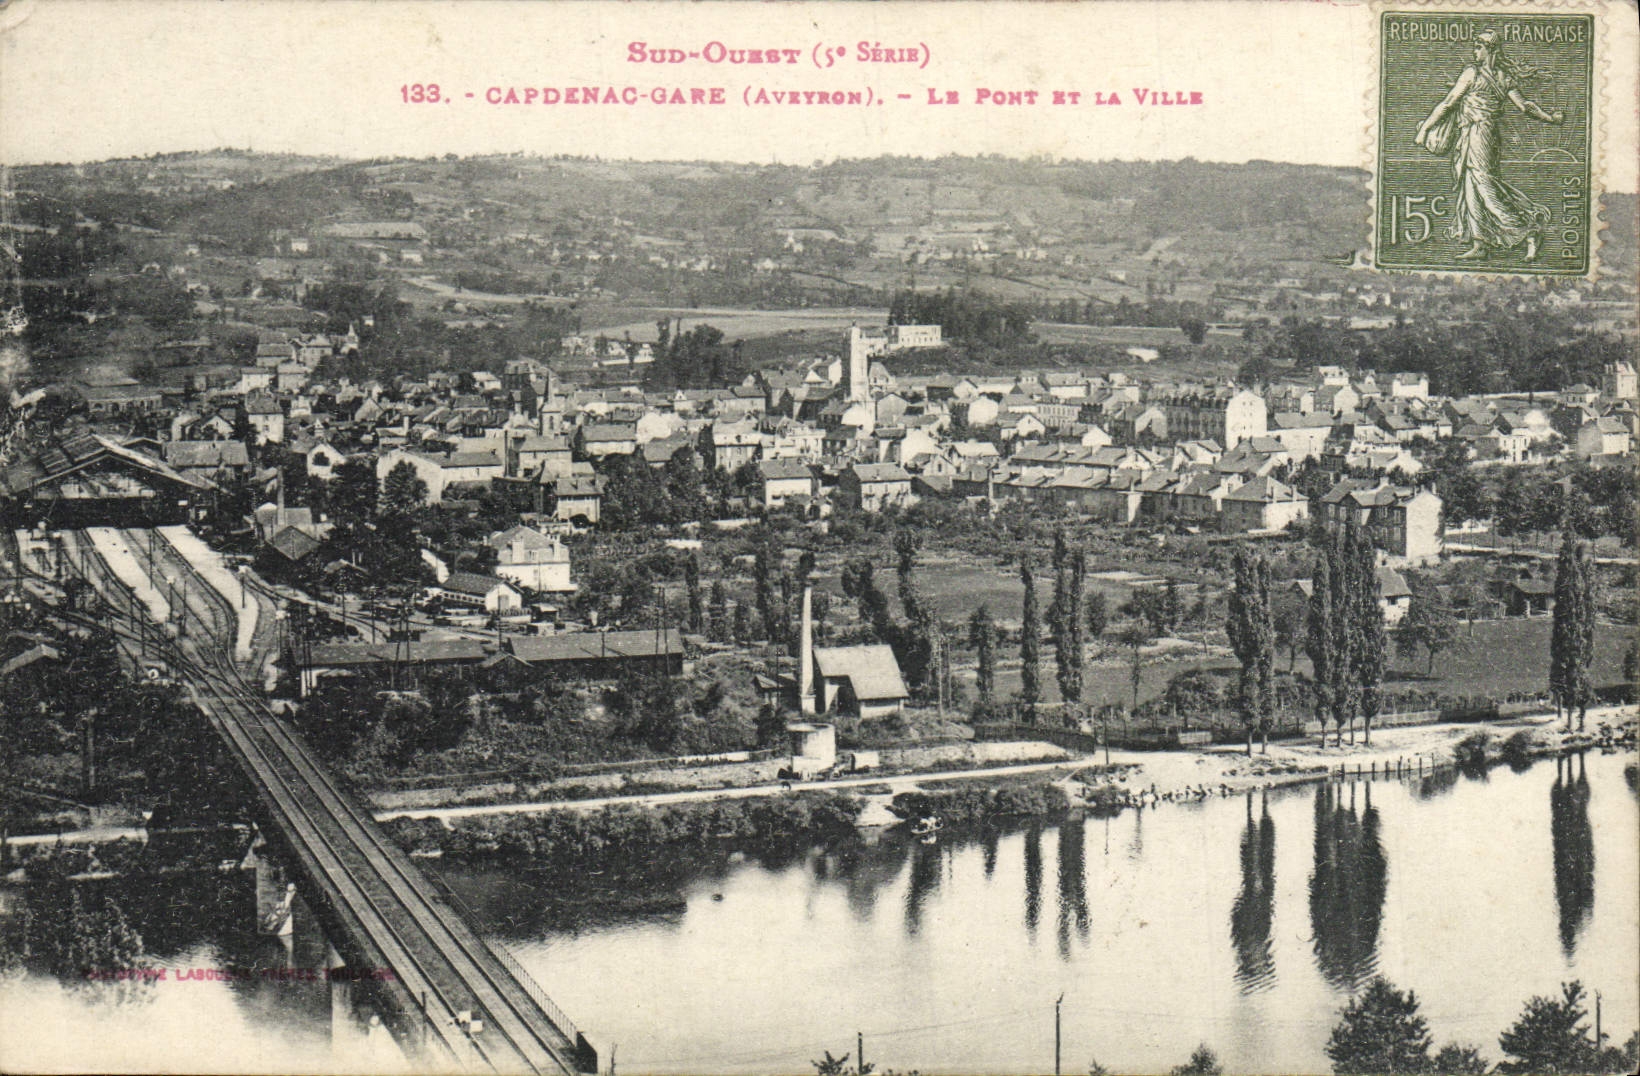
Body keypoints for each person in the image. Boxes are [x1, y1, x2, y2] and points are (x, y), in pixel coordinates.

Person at [1414, 28, 1564, 261]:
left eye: (1478, 47)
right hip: (1479, 135)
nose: (1475, 52)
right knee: (1471, 186)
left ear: (1490, 49)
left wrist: (1424, 129)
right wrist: (1550, 118)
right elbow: (1526, 106)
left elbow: (1449, 103)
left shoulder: (1473, 74)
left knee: (1485, 186)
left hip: (1480, 134)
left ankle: (1528, 232)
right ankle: (1480, 243)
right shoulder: (1503, 77)